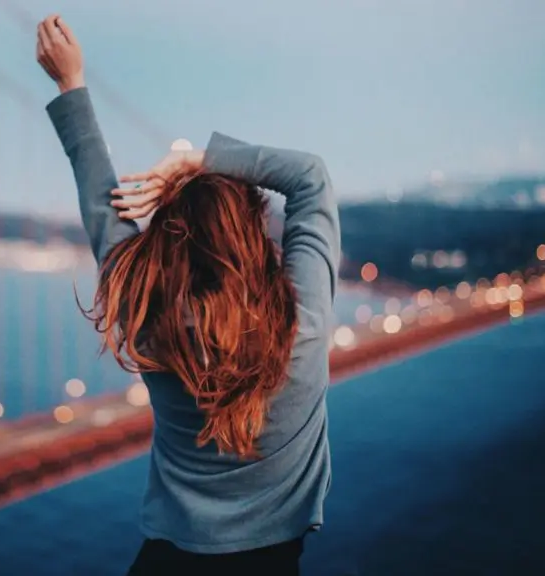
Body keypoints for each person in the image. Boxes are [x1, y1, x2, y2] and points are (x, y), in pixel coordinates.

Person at [36, 14, 340, 575]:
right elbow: (310, 178)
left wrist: (70, 82)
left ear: (165, 249)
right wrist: (200, 159)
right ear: (255, 239)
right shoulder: (305, 324)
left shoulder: (150, 322)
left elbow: (102, 203)